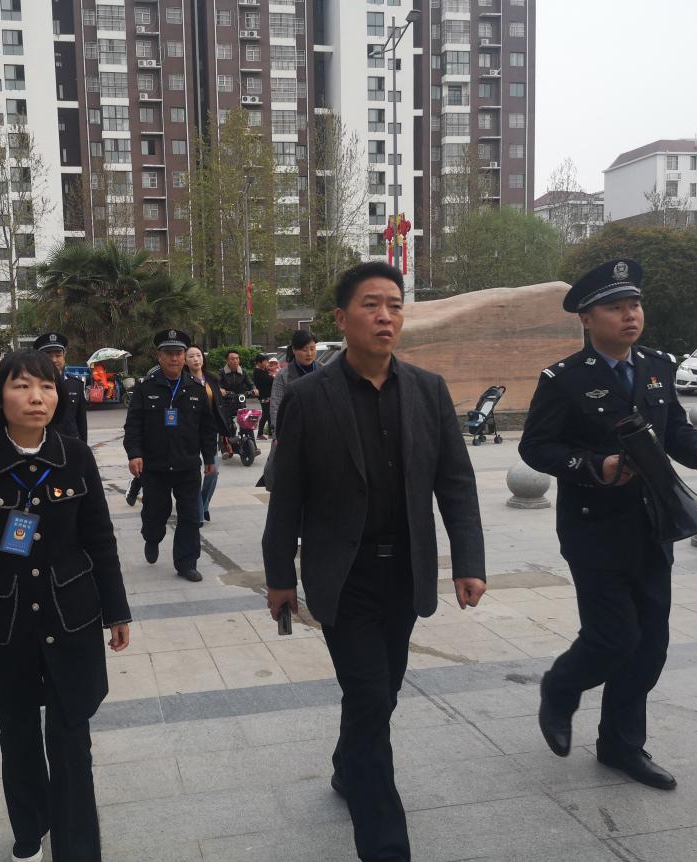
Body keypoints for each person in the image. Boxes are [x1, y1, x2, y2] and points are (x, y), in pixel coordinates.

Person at [262, 262, 486, 861]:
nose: (385, 316)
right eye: (370, 305)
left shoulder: (428, 389)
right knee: (368, 698)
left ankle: (346, 765)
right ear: (342, 318)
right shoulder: (308, 397)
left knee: (380, 694)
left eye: (394, 305)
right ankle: (386, 845)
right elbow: (288, 497)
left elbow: (456, 482)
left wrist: (469, 561)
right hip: (345, 576)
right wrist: (279, 577)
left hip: (405, 571)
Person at [520, 259, 697, 791]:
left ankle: (620, 745)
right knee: (613, 637)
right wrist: (597, 466)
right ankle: (560, 688)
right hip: (593, 529)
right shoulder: (565, 379)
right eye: (615, 308)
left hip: (654, 524)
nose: (629, 315)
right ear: (587, 319)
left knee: (650, 645)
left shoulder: (657, 366)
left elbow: (674, 427)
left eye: (634, 305)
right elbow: (536, 447)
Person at [0, 350, 130, 862]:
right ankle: (29, 828)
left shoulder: (76, 456)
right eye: (21, 386)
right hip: (3, 624)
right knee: (17, 734)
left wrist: (116, 609)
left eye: (46, 387)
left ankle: (78, 849)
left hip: (71, 617)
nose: (36, 397)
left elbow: (99, 538)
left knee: (72, 739)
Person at [123, 329, 217, 582]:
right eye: (169, 353)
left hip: (188, 465)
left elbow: (207, 428)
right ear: (159, 356)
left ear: (184, 356)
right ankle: (152, 538)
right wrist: (134, 454)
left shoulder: (196, 388)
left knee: (191, 516)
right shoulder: (145, 388)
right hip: (155, 466)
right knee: (155, 513)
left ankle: (186, 563)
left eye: (178, 353)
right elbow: (133, 425)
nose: (174, 358)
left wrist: (209, 458)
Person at [186, 345, 231, 523]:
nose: (196, 359)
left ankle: (203, 504)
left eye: (198, 355)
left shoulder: (212, 379)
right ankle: (198, 514)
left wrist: (225, 429)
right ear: (185, 360)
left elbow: (219, 405)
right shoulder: (182, 380)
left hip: (210, 432)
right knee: (193, 474)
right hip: (189, 433)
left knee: (213, 472)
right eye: (191, 356)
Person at [33, 332, 88, 442]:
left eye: (58, 355)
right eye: (48, 356)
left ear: (64, 356)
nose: (54, 360)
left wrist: (83, 446)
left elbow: (81, 420)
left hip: (71, 443)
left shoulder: (76, 384)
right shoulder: (33, 385)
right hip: (44, 443)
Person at [269, 330, 319, 436]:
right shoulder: (283, 375)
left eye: (312, 349)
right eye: (304, 350)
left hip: (320, 431)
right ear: (294, 350)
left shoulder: (324, 371)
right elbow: (276, 406)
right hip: (293, 432)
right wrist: (276, 435)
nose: (309, 354)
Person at [253, 355, 273, 439]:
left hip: (268, 395)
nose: (267, 363)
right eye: (265, 361)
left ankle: (271, 433)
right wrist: (272, 376)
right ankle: (260, 433)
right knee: (266, 414)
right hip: (264, 396)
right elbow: (269, 380)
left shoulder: (263, 370)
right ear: (259, 362)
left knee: (269, 414)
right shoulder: (258, 372)